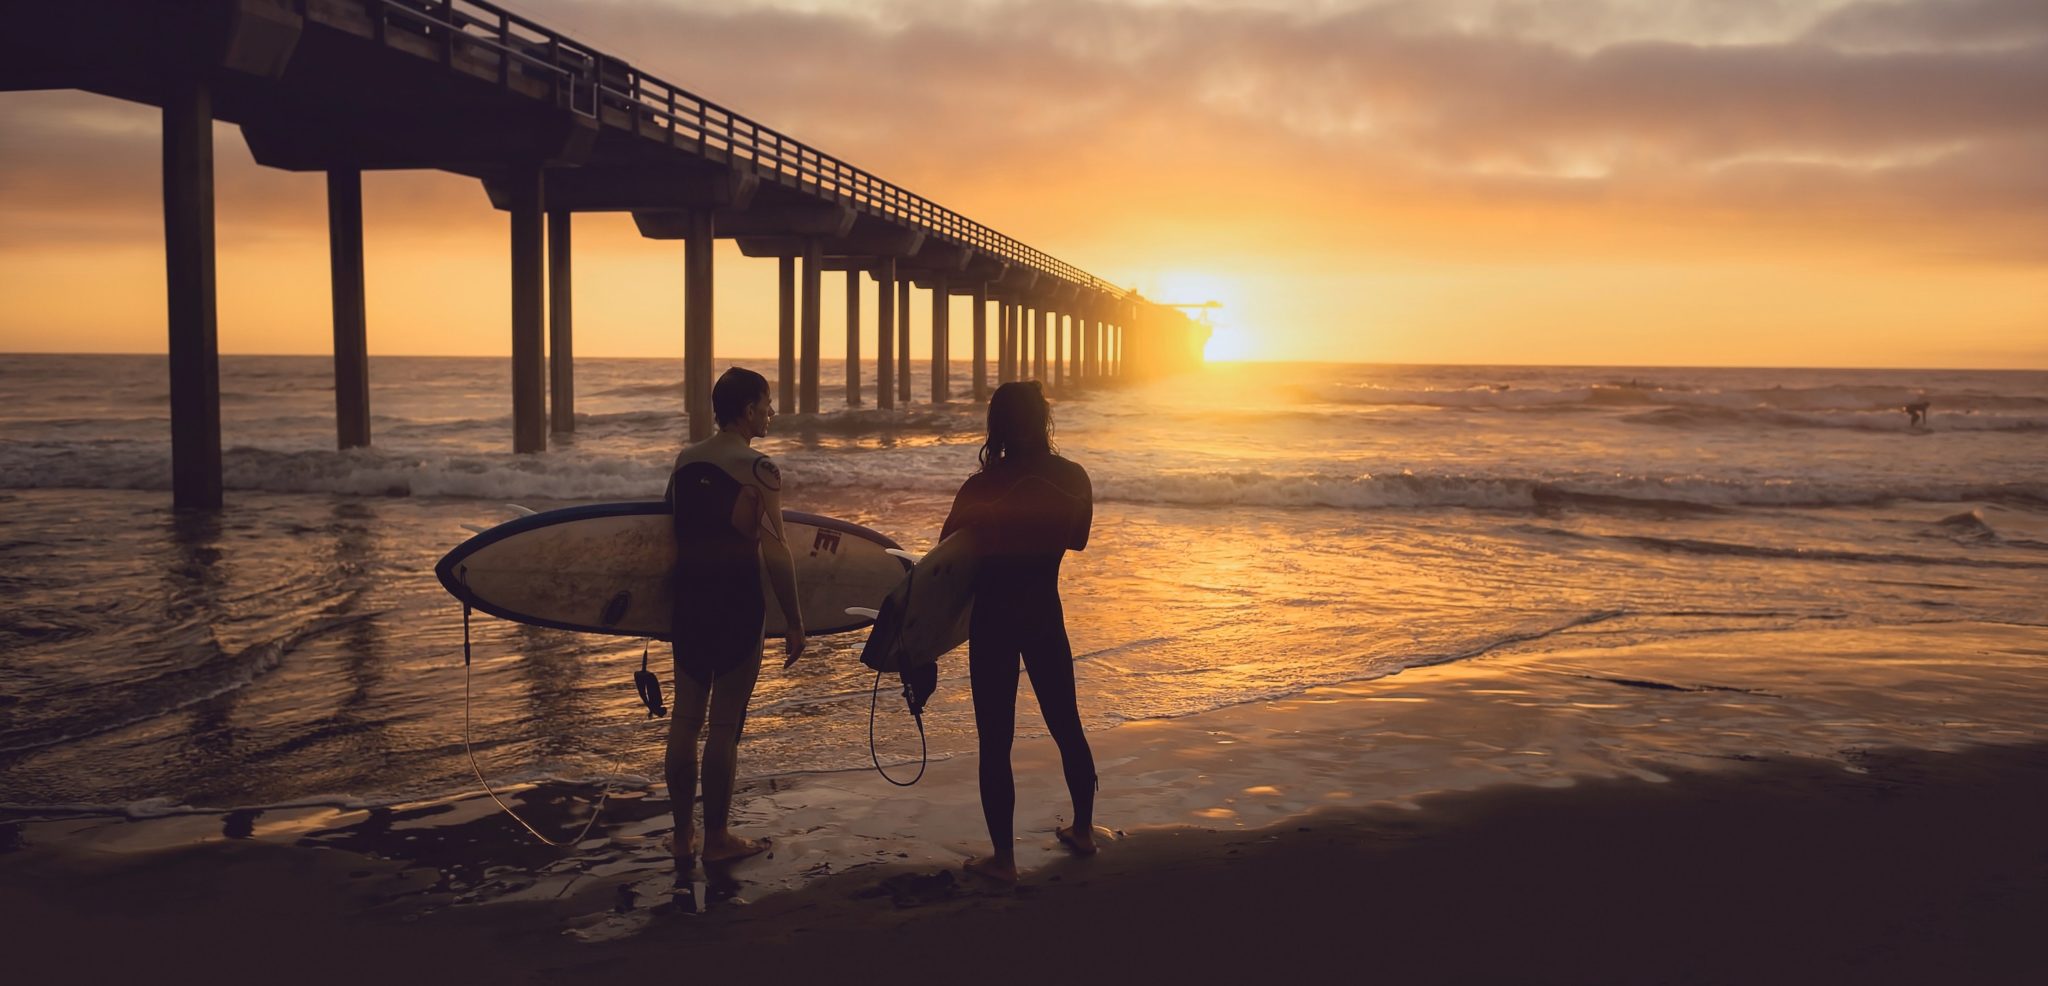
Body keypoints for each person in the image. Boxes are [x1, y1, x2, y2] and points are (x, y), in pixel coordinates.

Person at [940, 381, 1097, 883]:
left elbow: (945, 560)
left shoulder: (981, 486)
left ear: (998, 425)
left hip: (995, 618)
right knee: (1066, 724)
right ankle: (1084, 830)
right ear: (1044, 420)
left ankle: (1004, 860)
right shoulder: (1074, 478)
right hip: (1043, 611)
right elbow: (1077, 541)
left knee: (996, 740)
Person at [663, 367, 805, 881]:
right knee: (724, 727)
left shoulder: (683, 462)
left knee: (685, 720)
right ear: (747, 410)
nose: (772, 412)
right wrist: (794, 620)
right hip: (736, 603)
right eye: (767, 403)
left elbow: (669, 535)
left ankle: (681, 836)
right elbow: (777, 549)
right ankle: (717, 838)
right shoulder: (759, 468)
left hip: (689, 603)